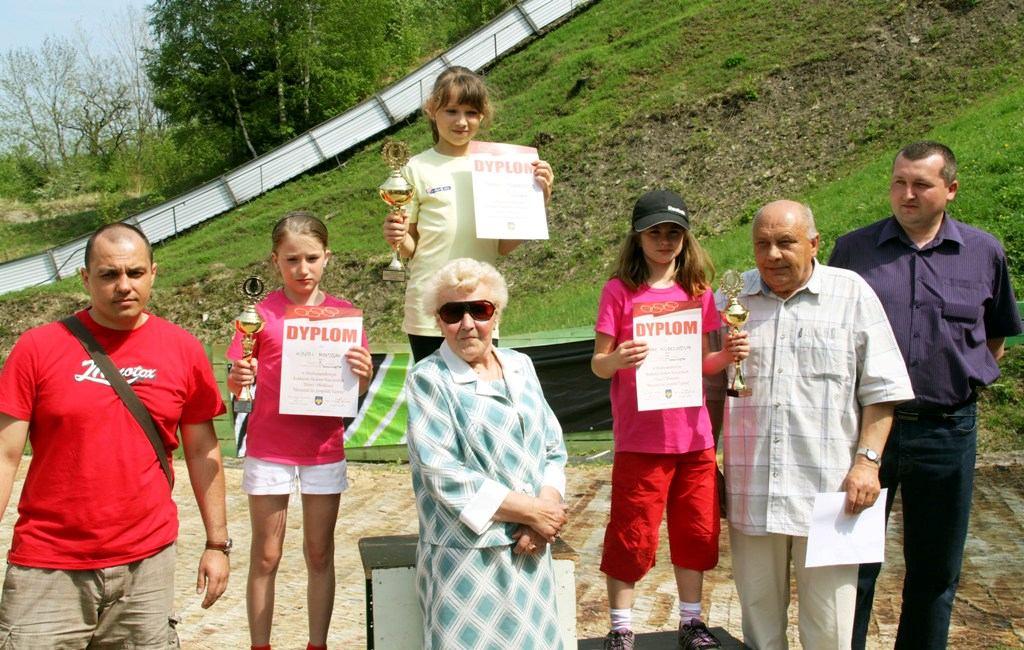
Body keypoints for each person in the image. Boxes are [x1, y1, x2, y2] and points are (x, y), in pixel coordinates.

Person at [829, 141, 1022, 649]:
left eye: (921, 184)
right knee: (851, 569)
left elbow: (994, 339)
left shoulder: (984, 253)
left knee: (935, 574)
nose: (907, 194)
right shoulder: (853, 251)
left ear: (951, 190)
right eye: (899, 182)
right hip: (867, 434)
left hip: (947, 432)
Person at [0, 223, 230, 646]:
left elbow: (202, 450)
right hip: (47, 566)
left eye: (135, 273)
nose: (124, 285)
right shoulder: (37, 348)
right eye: (108, 275)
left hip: (146, 567)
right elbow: (5, 455)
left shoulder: (183, 350)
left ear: (153, 273)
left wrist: (218, 543)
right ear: (85, 278)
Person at [722, 200, 914, 650]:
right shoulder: (732, 301)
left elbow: (882, 389)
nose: (773, 255)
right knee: (759, 625)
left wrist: (867, 463)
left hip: (830, 493)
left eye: (786, 242)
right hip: (754, 489)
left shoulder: (852, 294)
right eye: (762, 244)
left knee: (830, 628)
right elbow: (712, 388)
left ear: (813, 244)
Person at [591, 190, 749, 650]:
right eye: (655, 232)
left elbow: (700, 364)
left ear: (685, 238)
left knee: (697, 530)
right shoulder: (618, 291)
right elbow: (598, 363)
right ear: (638, 237)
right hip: (641, 440)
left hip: (694, 438)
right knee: (631, 533)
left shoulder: (697, 293)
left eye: (673, 233)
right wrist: (618, 358)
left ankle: (692, 621)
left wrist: (728, 355)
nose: (664, 241)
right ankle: (621, 626)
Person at [226, 211, 373, 650]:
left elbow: (354, 388)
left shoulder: (345, 315)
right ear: (275, 261)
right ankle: (260, 644)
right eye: (292, 259)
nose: (302, 269)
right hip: (269, 446)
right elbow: (238, 382)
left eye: (311, 258)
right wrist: (239, 376)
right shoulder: (259, 315)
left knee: (319, 553)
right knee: (266, 555)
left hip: (323, 448)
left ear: (327, 257)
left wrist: (363, 374)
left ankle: (317, 644)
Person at [405, 258, 568, 649]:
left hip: (531, 550)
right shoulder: (428, 379)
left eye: (478, 310)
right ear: (437, 320)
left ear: (496, 313)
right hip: (464, 562)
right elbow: (443, 472)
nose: (466, 324)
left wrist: (544, 509)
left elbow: (553, 448)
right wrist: (531, 512)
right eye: (451, 313)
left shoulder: (521, 366)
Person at [381, 65, 555, 361]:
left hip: (480, 308)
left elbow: (502, 247)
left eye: (472, 113)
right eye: (452, 111)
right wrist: (395, 237)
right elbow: (411, 249)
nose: (462, 121)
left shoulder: (500, 165)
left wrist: (536, 203)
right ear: (431, 110)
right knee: (434, 400)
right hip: (431, 314)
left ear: (482, 115)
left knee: (481, 397)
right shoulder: (415, 169)